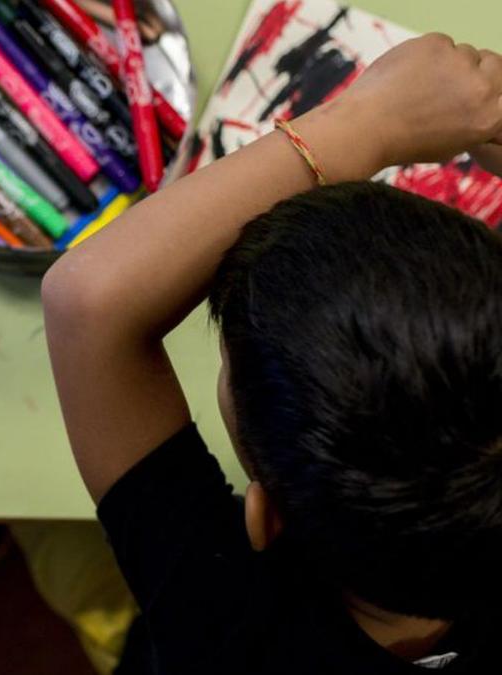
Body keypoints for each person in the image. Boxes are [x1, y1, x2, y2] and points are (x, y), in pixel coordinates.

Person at [42, 34, 502, 674]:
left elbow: (88, 305)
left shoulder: (229, 629)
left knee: (55, 559)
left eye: (227, 360)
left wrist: (368, 123)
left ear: (265, 519)